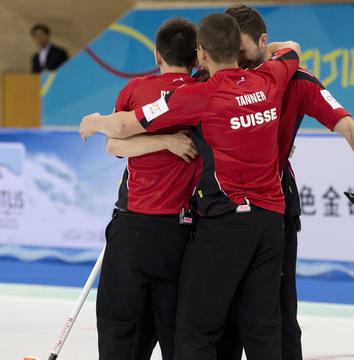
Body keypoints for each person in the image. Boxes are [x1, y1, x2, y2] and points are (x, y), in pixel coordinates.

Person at [79, 13, 301, 359]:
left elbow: (117, 136)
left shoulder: (176, 94)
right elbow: (290, 49)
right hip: (189, 232)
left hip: (138, 227)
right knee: (210, 328)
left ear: (200, 54)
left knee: (128, 328)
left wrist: (95, 121)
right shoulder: (259, 80)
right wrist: (168, 142)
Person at [217, 5, 354, 360]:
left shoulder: (297, 81)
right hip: (219, 211)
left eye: (243, 51)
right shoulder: (216, 75)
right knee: (221, 318)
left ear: (262, 41)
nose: (236, 60)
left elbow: (350, 127)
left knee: (277, 318)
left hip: (274, 210)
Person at [95, 18, 199, 360]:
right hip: (180, 235)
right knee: (175, 333)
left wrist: (159, 141)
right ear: (197, 57)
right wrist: (167, 141)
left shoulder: (136, 89)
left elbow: (114, 144)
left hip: (134, 230)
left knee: (118, 329)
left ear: (158, 55)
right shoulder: (203, 92)